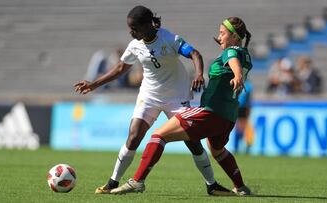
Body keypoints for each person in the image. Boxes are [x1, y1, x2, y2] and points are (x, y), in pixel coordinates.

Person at [74, 5, 229, 195]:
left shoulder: (169, 38)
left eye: (135, 28)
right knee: (134, 136)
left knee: (194, 142)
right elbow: (121, 68)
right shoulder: (135, 45)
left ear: (148, 25)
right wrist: (94, 84)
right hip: (149, 96)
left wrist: (198, 74)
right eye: (130, 28)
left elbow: (195, 54)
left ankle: (211, 185)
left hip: (177, 98)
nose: (131, 32)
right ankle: (112, 183)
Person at [110, 16, 252, 196]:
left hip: (211, 113)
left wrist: (237, 75)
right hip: (228, 117)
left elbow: (233, 61)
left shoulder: (231, 51)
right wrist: (238, 73)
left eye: (223, 33)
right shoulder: (245, 54)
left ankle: (137, 181)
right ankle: (240, 187)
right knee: (217, 150)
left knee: (158, 135)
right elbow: (237, 62)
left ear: (234, 37)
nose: (220, 36)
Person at [233, 79, 254, 154]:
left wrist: (249, 108)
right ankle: (238, 146)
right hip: (237, 107)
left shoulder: (247, 85)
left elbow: (249, 99)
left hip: (242, 108)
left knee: (242, 128)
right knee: (240, 128)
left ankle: (243, 146)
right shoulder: (246, 84)